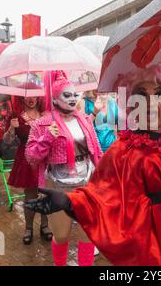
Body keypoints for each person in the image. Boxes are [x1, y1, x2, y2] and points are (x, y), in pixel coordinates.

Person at [25, 64, 161, 266]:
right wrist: (68, 201)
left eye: (158, 94)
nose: (150, 102)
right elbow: (103, 194)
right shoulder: (124, 150)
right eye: (142, 95)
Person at [25, 71, 103, 266]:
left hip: (87, 185)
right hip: (58, 186)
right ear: (55, 98)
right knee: (61, 235)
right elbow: (31, 157)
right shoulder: (43, 123)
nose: (72, 99)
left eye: (75, 95)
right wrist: (47, 139)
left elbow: (97, 151)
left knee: (88, 234)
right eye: (66, 95)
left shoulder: (84, 119)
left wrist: (106, 176)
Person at [1, 94, 52, 245]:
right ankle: (28, 228)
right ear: (22, 98)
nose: (31, 99)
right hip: (27, 160)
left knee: (46, 194)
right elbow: (6, 141)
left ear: (39, 98)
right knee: (30, 195)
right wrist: (12, 127)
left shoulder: (46, 115)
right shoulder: (16, 116)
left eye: (34, 96)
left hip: (46, 158)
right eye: (28, 96)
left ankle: (45, 225)